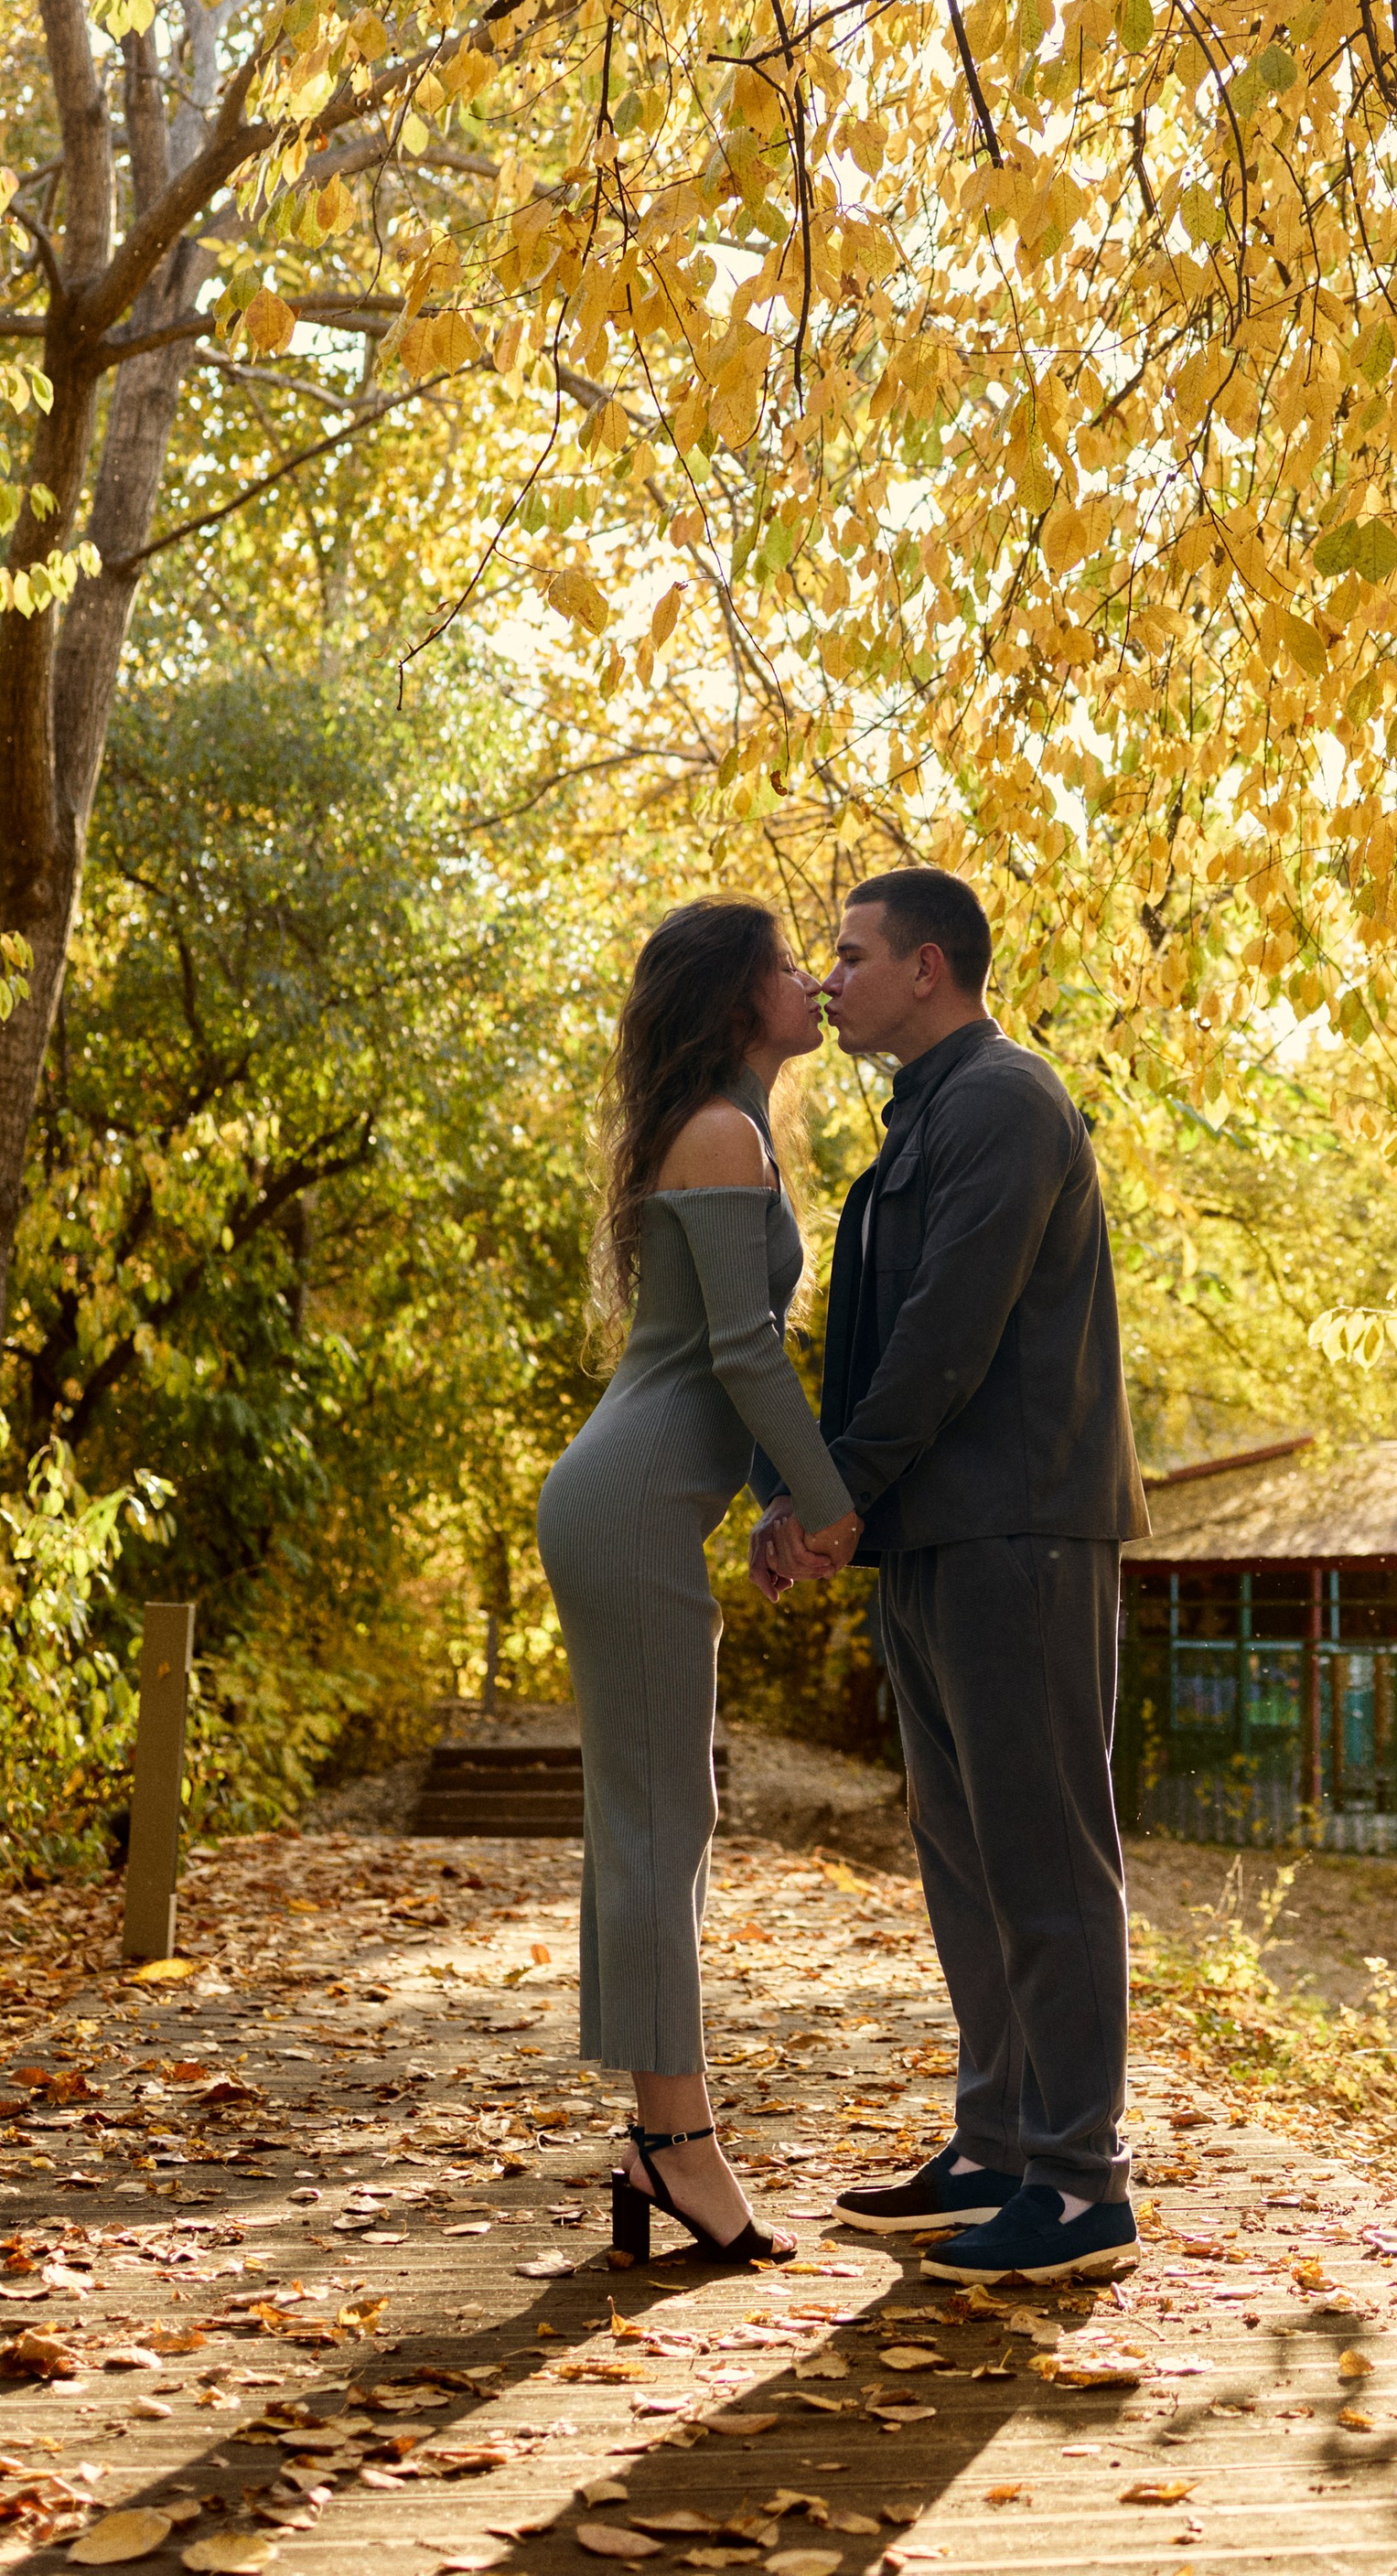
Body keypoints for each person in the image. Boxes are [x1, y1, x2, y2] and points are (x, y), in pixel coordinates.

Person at [749, 867, 1149, 2283]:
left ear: (929, 966)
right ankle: (996, 2148)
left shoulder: (1004, 1102)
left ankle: (1082, 2183)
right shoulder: (925, 1114)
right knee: (966, 1861)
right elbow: (875, 1346)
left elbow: (947, 1335)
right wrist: (816, 1497)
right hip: (933, 1537)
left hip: (1020, 1531)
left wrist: (835, 1494)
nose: (827, 979)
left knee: (1045, 1855)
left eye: (848, 956)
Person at [537, 898, 862, 2270]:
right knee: (666, 1820)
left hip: (633, 1500)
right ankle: (677, 2143)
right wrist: (830, 1503)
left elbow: (716, 1368)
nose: (811, 984)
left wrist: (771, 1496)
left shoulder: (729, 1128)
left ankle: (656, 2132)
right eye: (791, 966)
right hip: (629, 1507)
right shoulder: (722, 1135)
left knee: (654, 1816)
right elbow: (740, 1355)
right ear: (739, 1001)